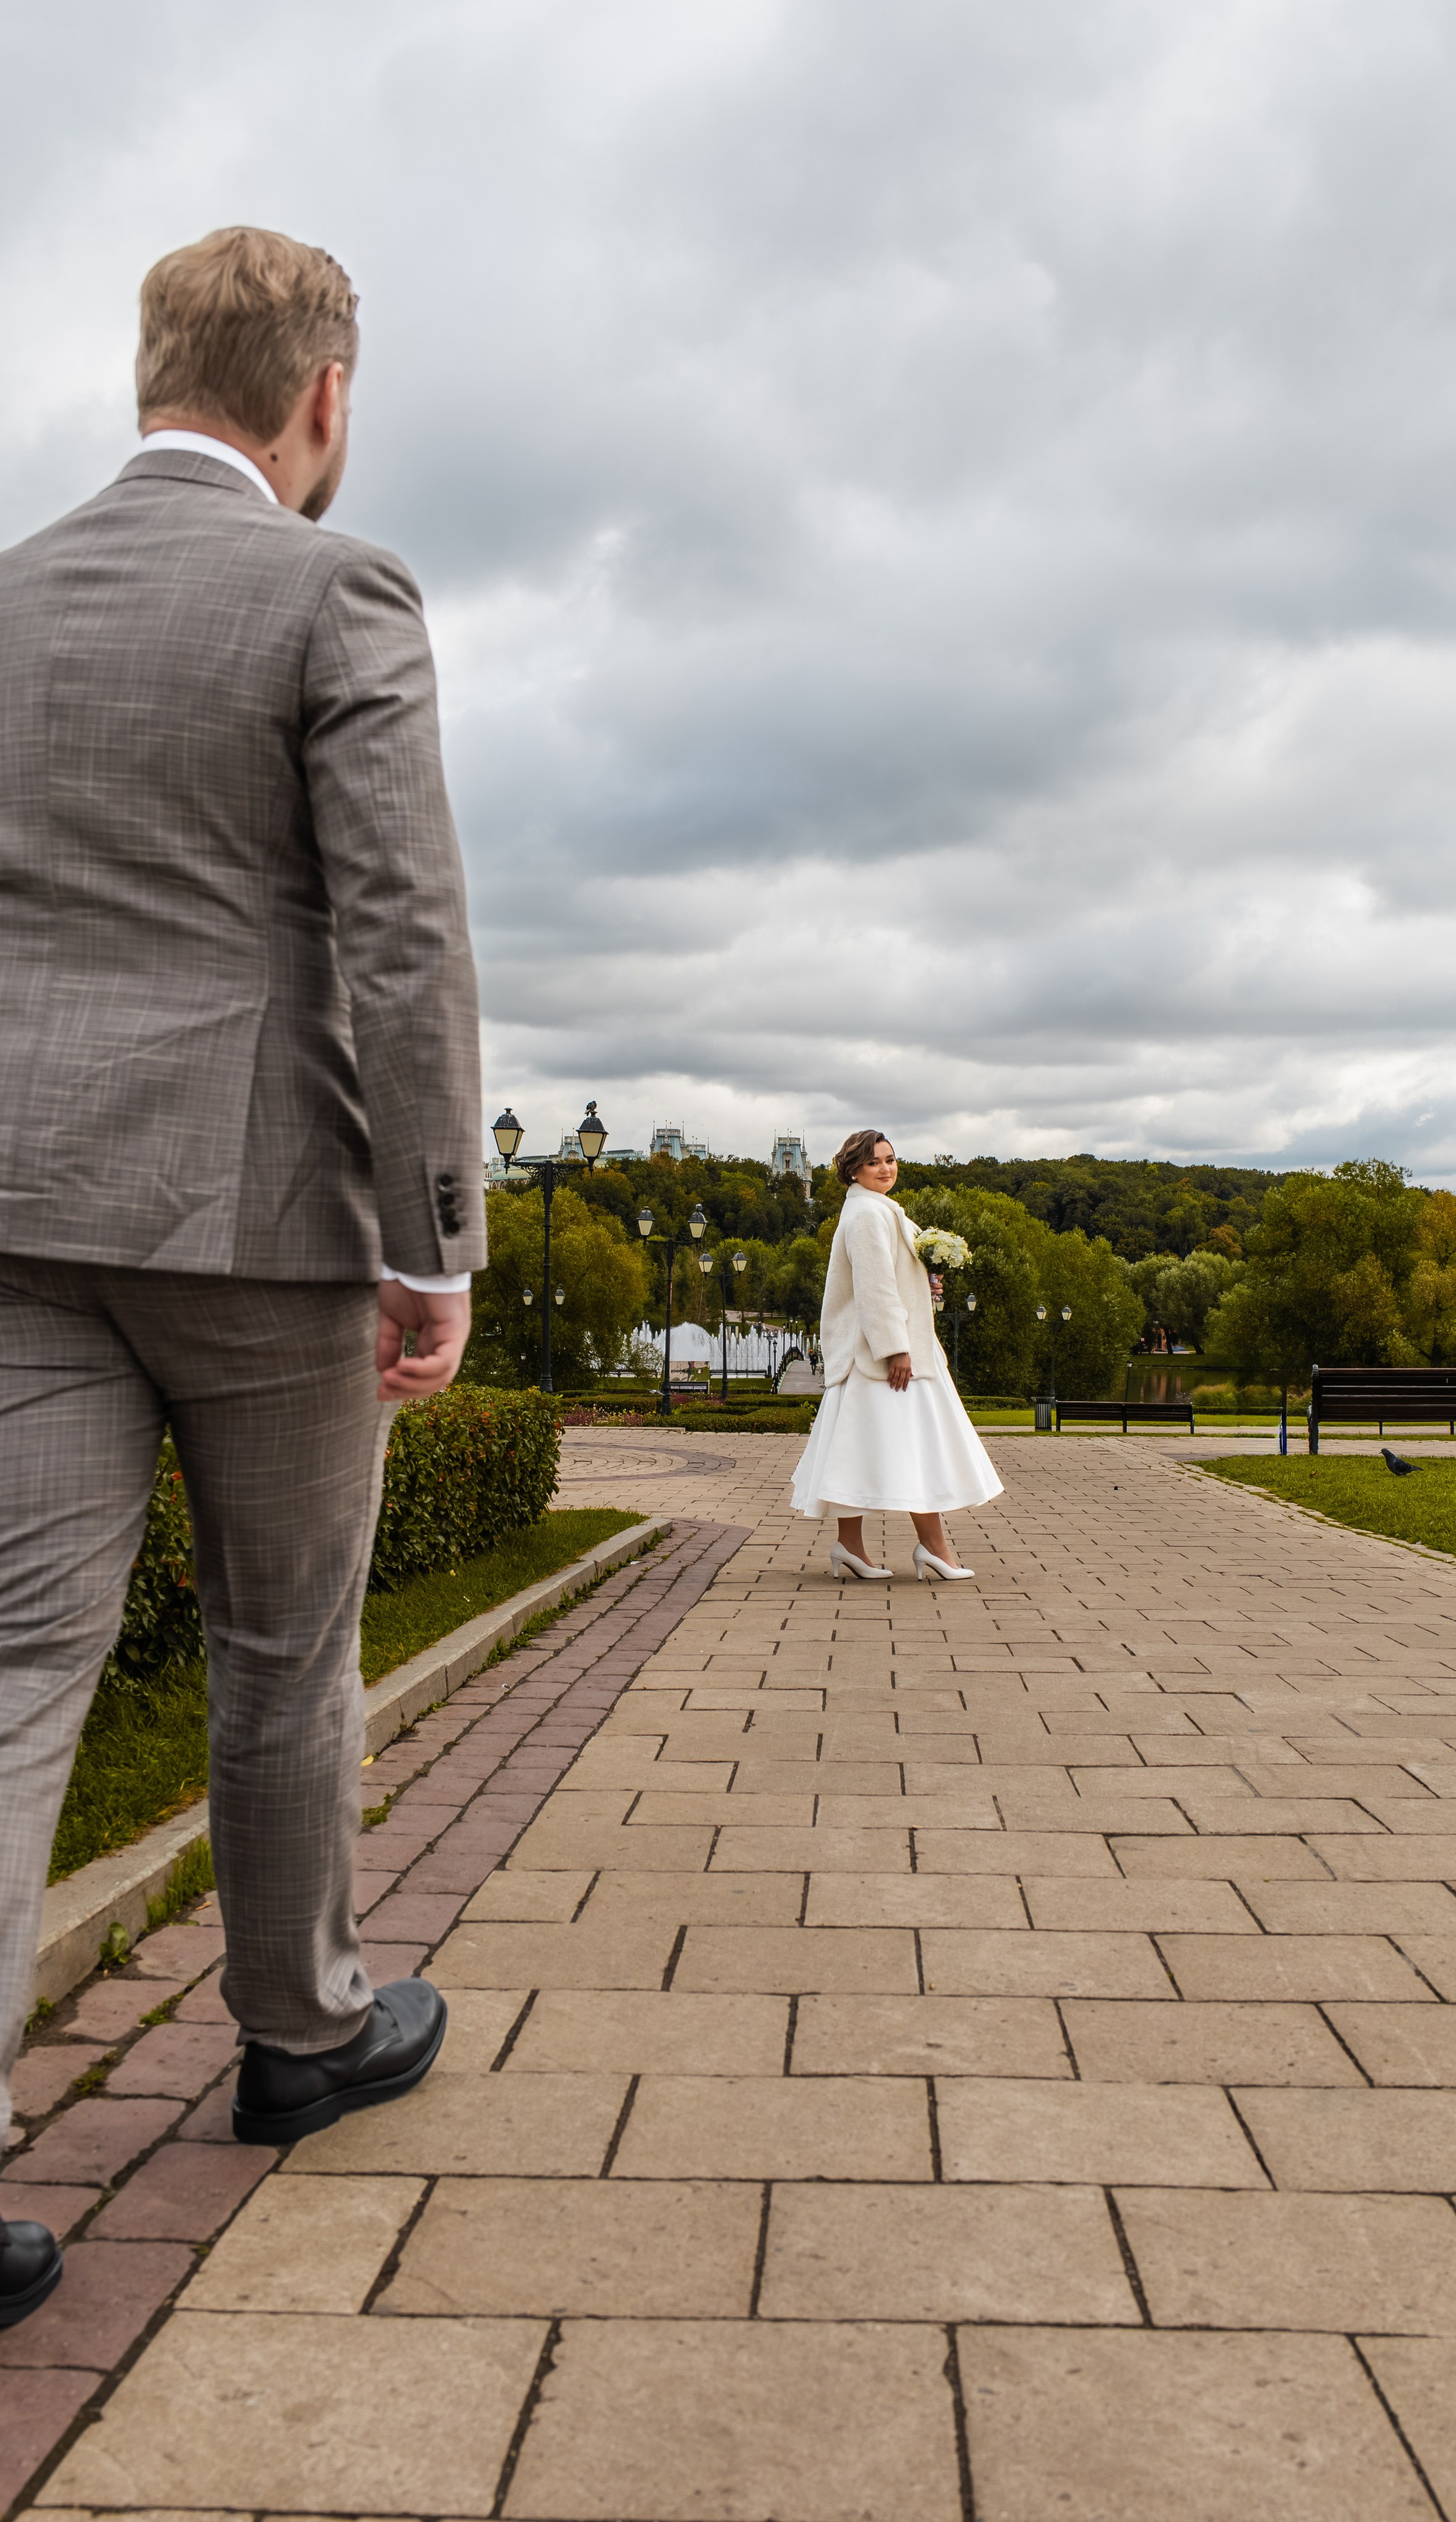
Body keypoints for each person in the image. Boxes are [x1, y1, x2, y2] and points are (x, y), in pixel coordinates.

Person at [0, 228, 485, 2329]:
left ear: (146, 375)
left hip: (15, 1206)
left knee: (18, 1659)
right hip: (267, 1217)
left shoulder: (6, 597)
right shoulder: (332, 586)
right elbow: (403, 932)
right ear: (325, 396)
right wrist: (432, 1233)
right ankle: (299, 2030)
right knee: (283, 1645)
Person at [792, 1131, 1002, 1578]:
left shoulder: (874, 1209)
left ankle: (850, 1546)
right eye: (874, 1163)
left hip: (872, 1356)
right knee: (916, 1449)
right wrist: (896, 1350)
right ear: (853, 1170)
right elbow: (876, 1291)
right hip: (884, 1359)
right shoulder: (869, 1214)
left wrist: (927, 1284)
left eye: (890, 1159)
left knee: (855, 1452)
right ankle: (935, 1548)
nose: (886, 1168)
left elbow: (892, 1279)